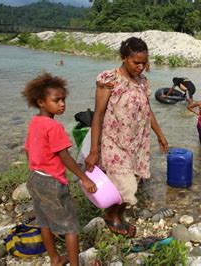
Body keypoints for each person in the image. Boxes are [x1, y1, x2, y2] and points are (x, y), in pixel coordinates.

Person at [85, 37, 169, 237]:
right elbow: (98, 114)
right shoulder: (109, 80)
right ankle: (110, 215)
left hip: (138, 143)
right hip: (114, 141)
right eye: (136, 62)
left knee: (132, 182)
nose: (140, 67)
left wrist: (160, 135)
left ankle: (117, 215)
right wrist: (94, 150)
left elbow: (148, 111)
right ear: (124, 58)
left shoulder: (142, 82)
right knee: (126, 186)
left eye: (144, 63)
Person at [22, 72, 97, 266]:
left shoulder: (34, 122)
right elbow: (65, 157)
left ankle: (54, 258)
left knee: (44, 221)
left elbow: (28, 150)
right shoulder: (54, 127)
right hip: (52, 182)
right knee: (71, 226)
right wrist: (84, 178)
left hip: (34, 178)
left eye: (63, 99)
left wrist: (37, 167)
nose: (62, 104)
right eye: (56, 100)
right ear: (41, 102)